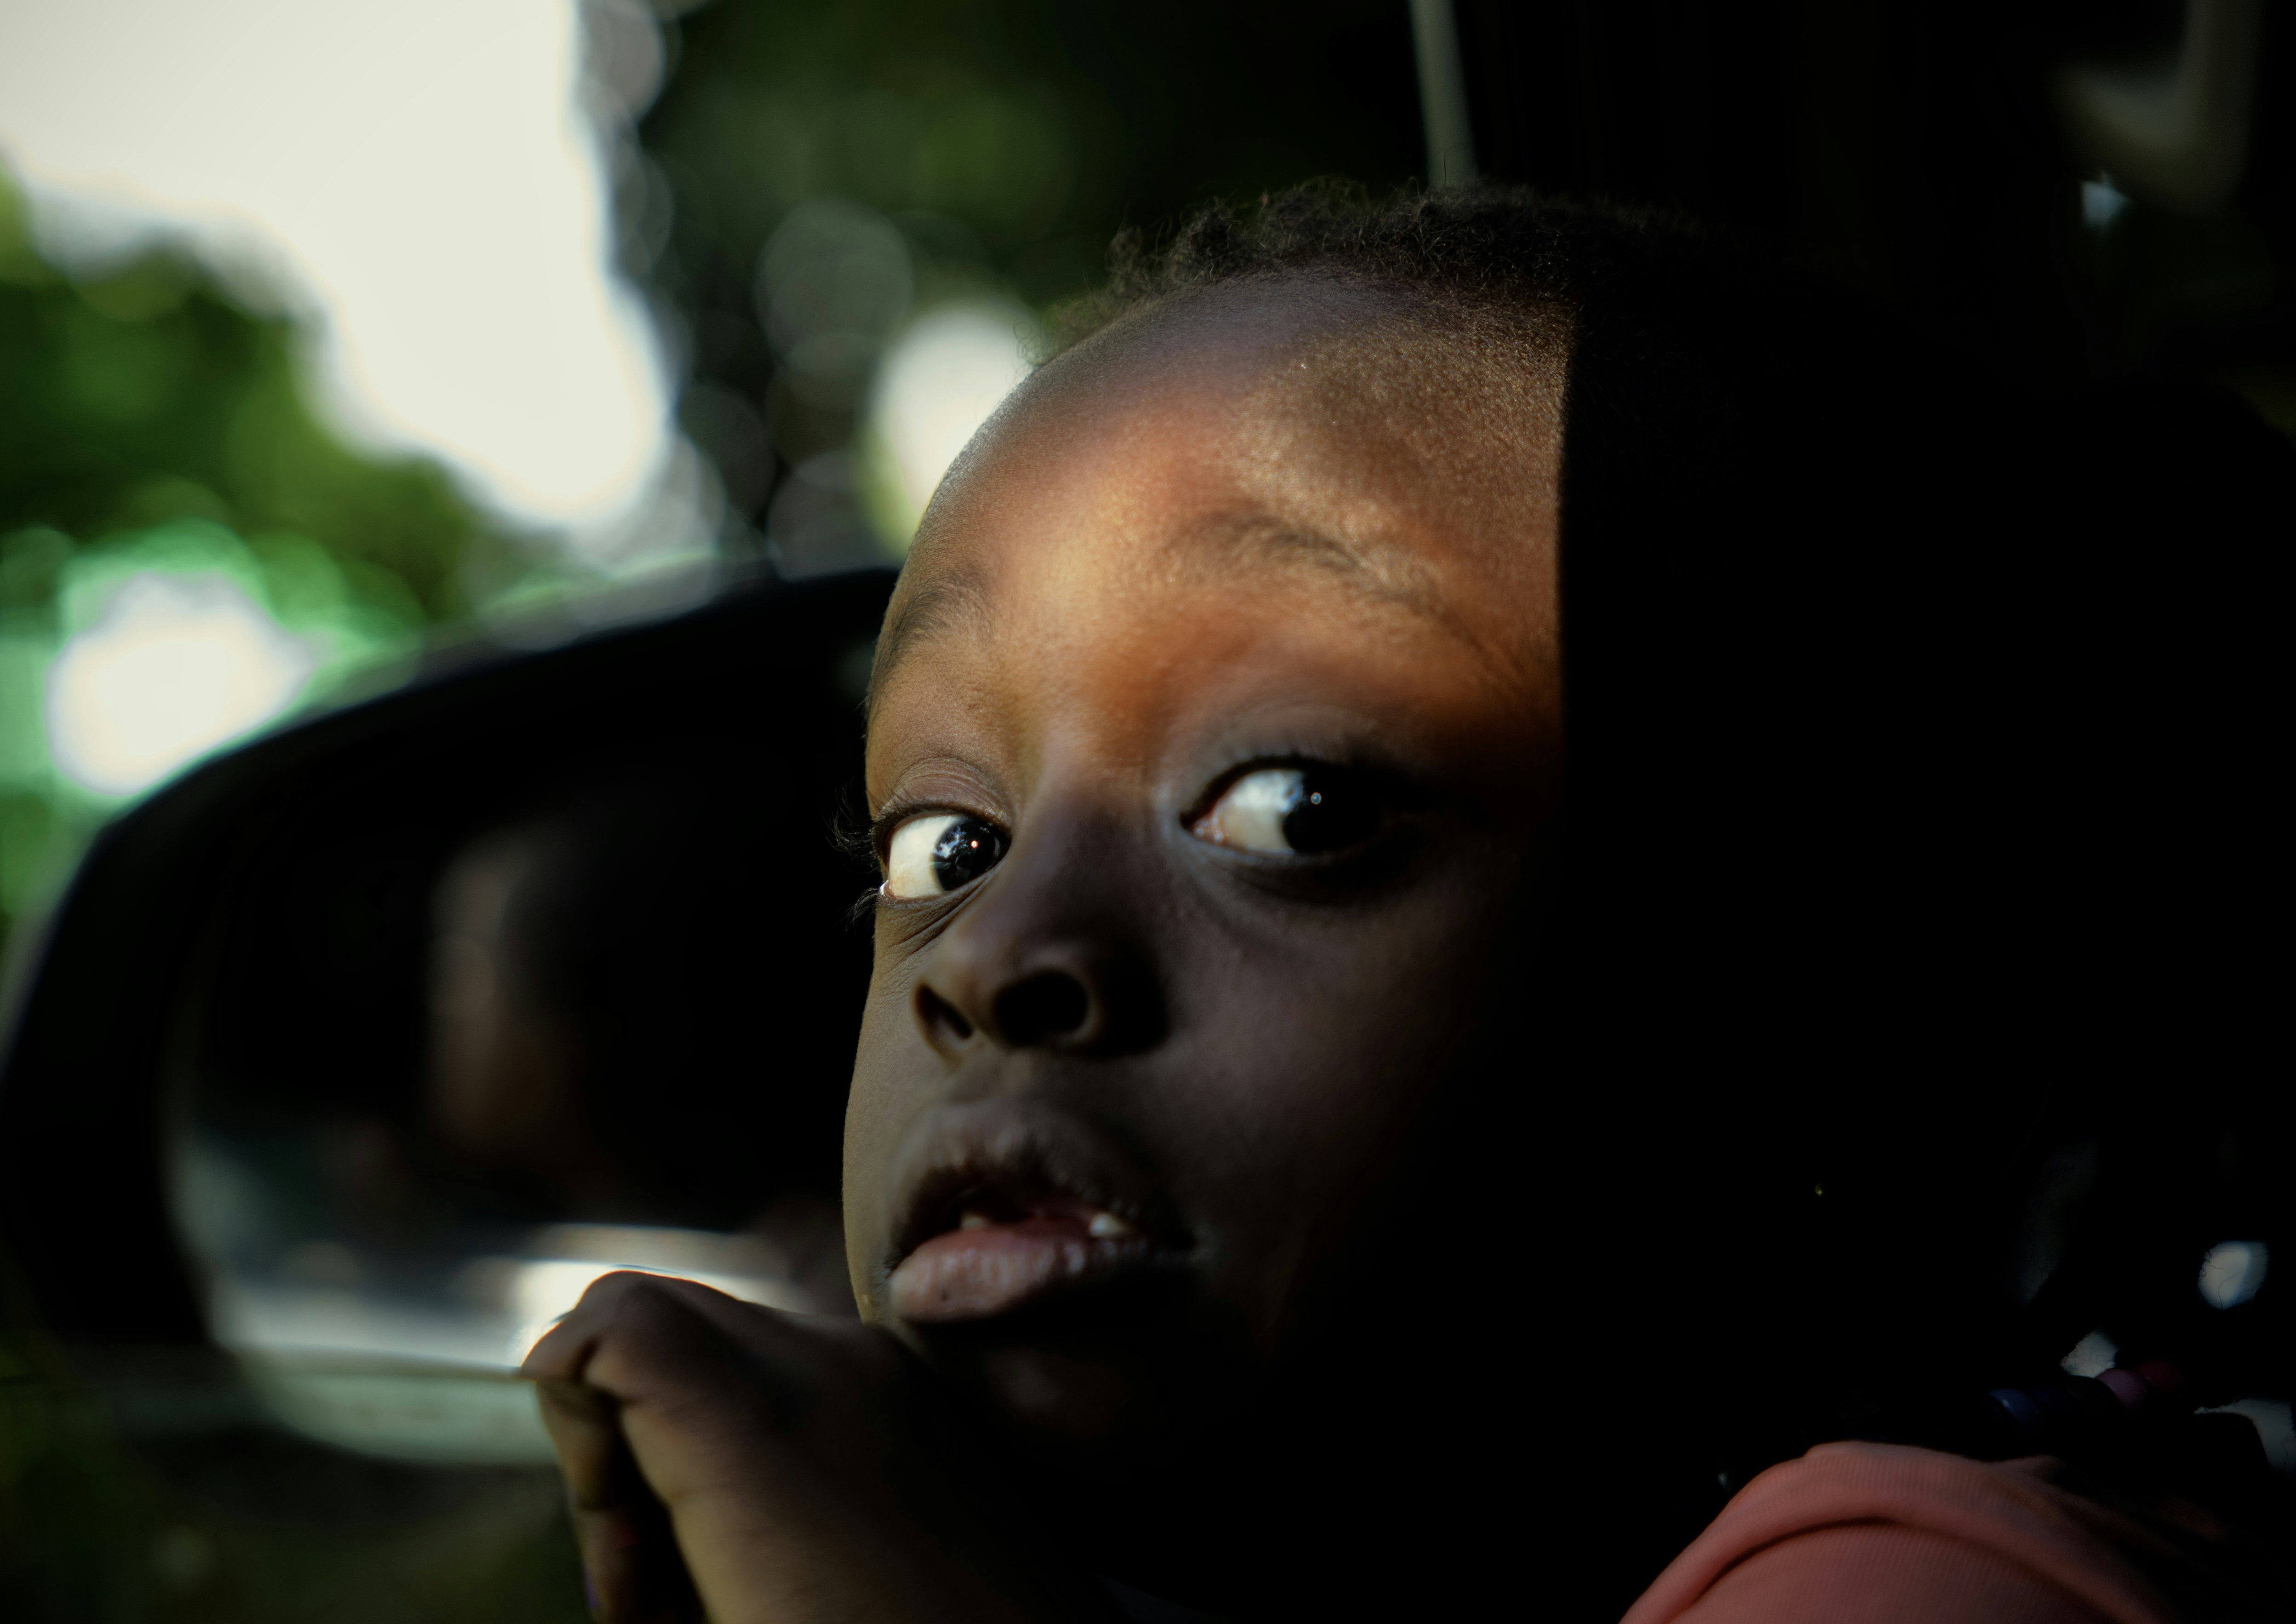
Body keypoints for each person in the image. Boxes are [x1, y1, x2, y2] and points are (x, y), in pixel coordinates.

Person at [523, 181, 2293, 1621]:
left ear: (1853, 1013)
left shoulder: (1930, 1580)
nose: (992, 960)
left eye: (1295, 808)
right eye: (943, 848)